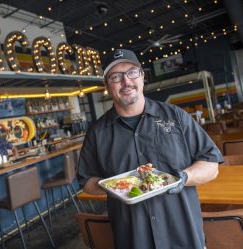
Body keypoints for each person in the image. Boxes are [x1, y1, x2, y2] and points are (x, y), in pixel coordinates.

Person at [77, 49, 223, 249]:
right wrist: (112, 185)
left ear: (143, 76)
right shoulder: (96, 133)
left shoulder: (176, 116)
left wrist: (183, 177)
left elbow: (211, 165)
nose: (126, 81)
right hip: (133, 239)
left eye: (132, 72)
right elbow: (87, 182)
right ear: (107, 85)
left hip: (184, 236)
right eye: (115, 76)